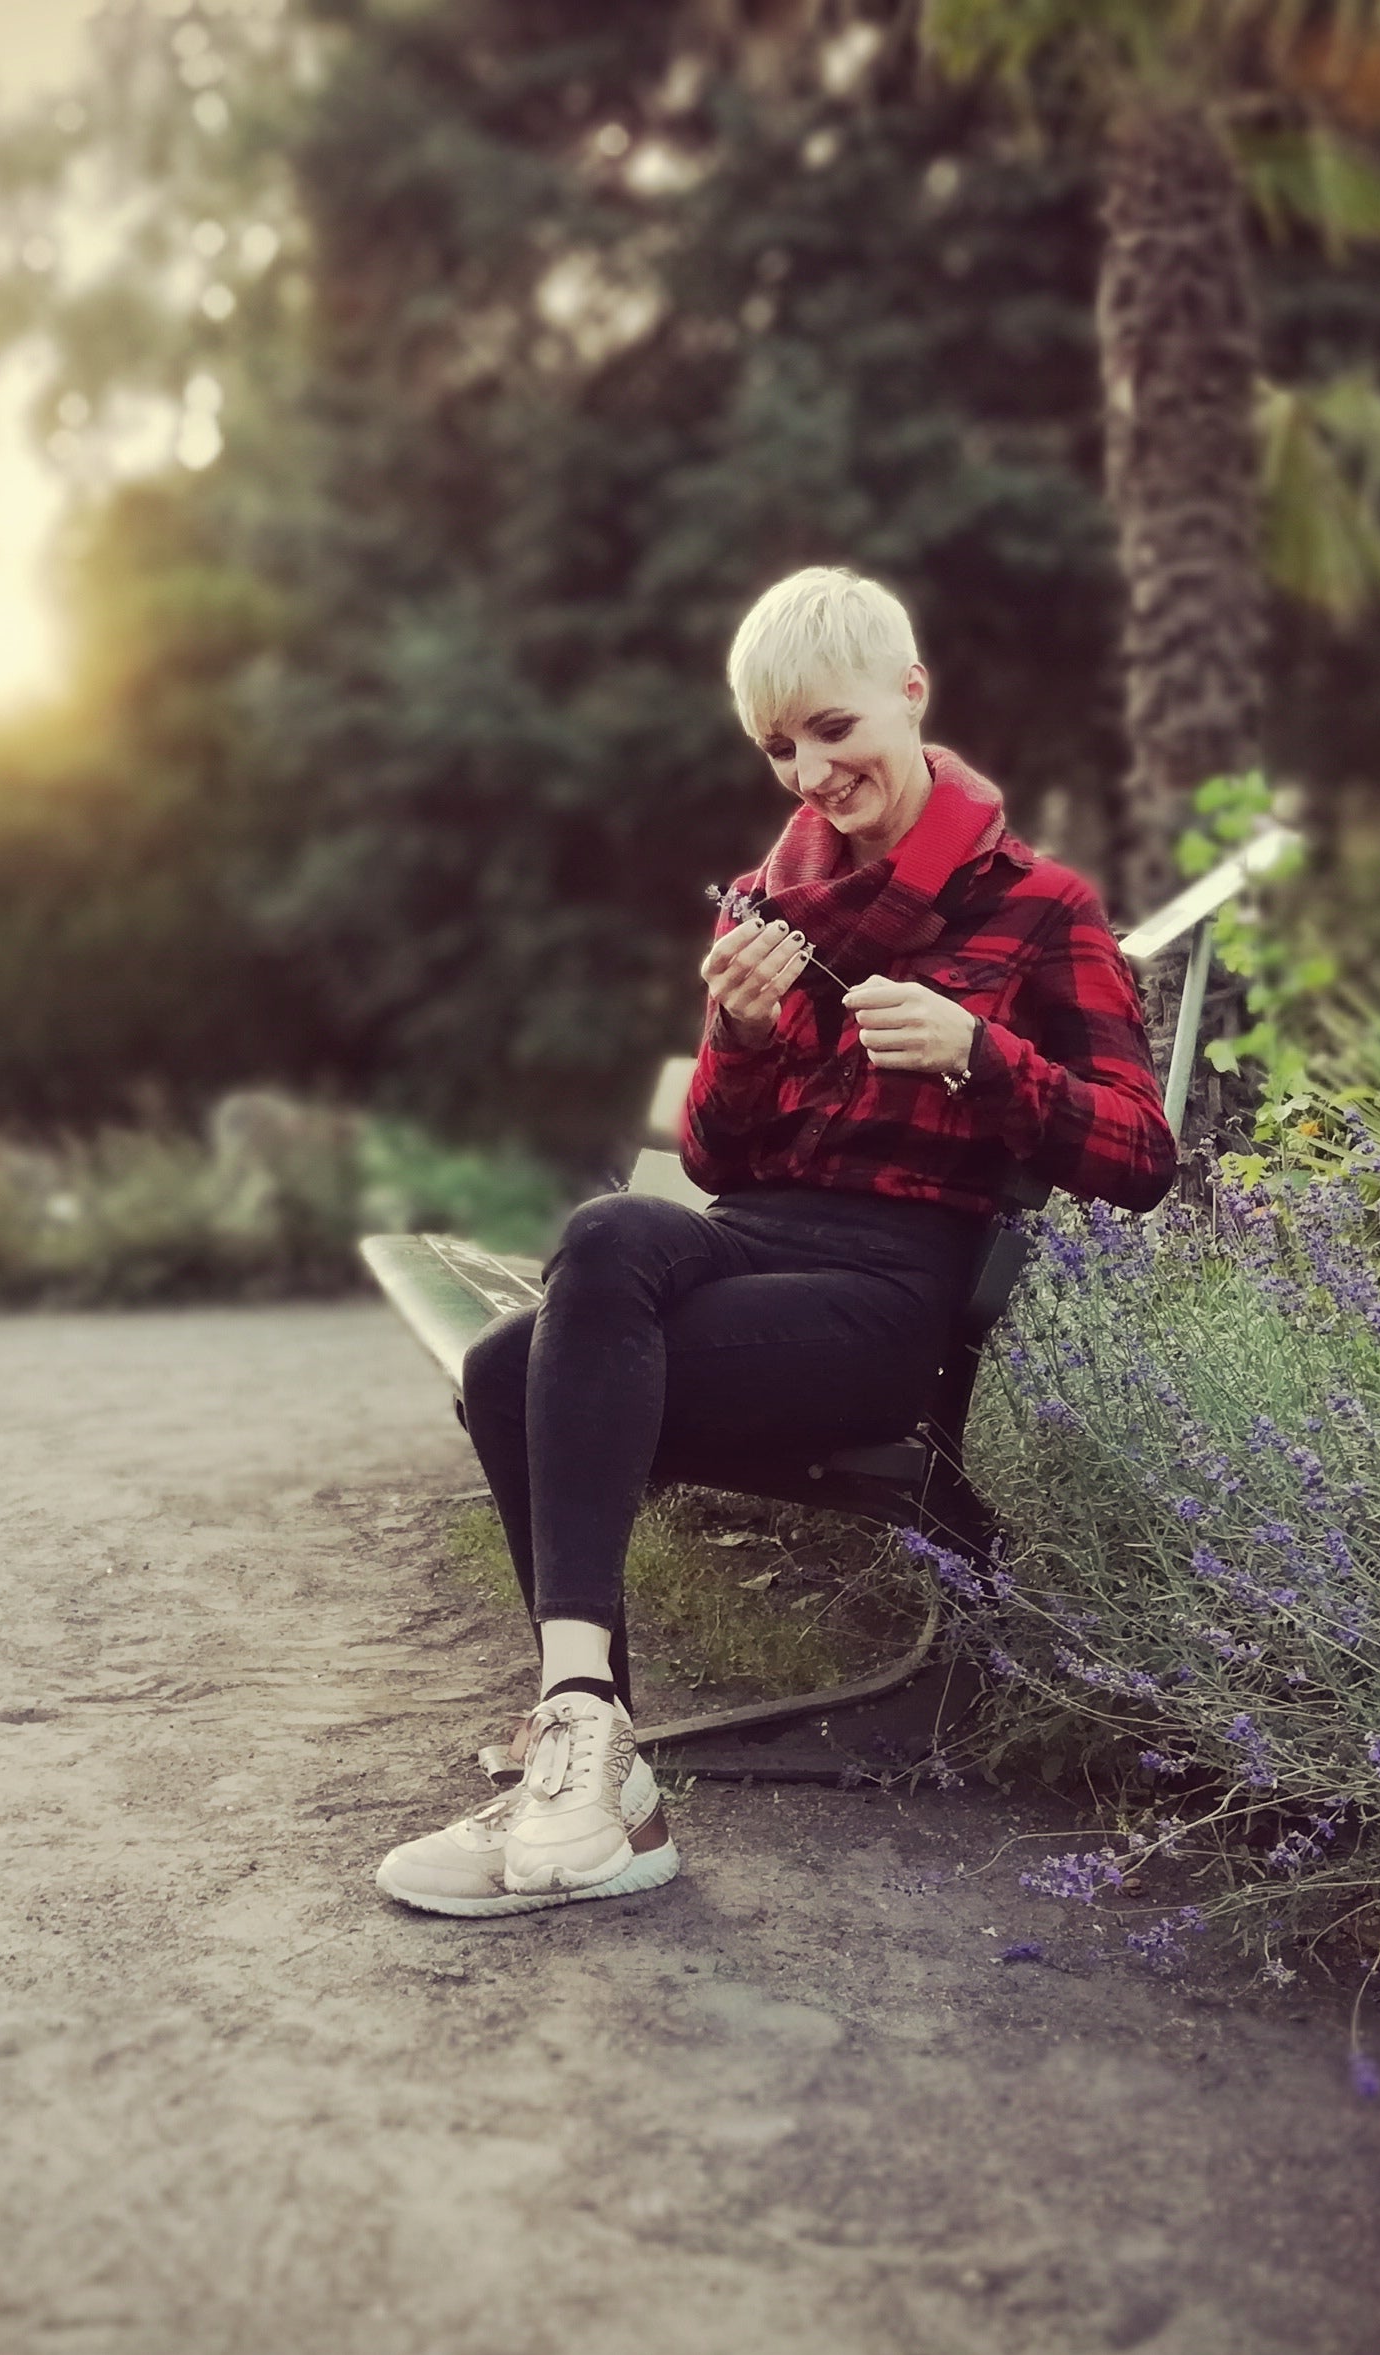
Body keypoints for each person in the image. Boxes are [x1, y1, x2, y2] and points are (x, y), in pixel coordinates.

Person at [374, 566, 1178, 1918]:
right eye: (778, 747)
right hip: (753, 1247)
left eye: (834, 730)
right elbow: (713, 1162)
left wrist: (987, 1059)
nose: (809, 771)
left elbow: (1143, 1158)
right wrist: (739, 1044)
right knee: (558, 1305)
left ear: (911, 696)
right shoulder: (766, 907)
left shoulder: (1041, 910)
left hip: (886, 1304)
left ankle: (593, 1786)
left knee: (536, 1352)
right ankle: (595, 1752)